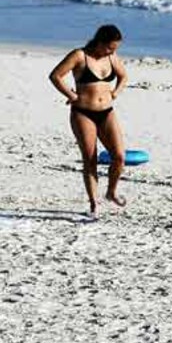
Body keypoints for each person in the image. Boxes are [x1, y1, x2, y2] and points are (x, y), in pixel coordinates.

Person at [48, 24, 129, 217]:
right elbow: (56, 76)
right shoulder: (79, 55)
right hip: (83, 112)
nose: (112, 52)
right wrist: (72, 95)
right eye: (110, 47)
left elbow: (124, 76)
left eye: (115, 48)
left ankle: (111, 191)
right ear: (100, 42)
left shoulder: (111, 57)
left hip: (107, 112)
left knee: (119, 156)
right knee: (90, 159)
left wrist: (115, 93)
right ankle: (94, 203)